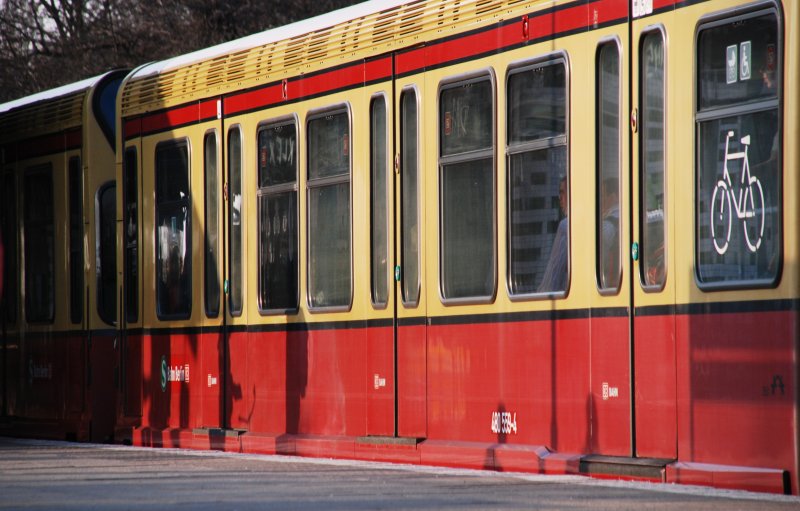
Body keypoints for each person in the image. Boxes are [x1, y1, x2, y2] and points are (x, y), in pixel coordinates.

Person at [539, 176, 568, 293]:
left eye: (562, 192)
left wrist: (541, 295)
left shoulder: (565, 226)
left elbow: (554, 271)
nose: (560, 198)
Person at [600, 177, 619, 288]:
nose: (600, 201)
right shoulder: (633, 219)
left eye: (602, 196)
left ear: (612, 197)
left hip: (610, 287)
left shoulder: (606, 227)